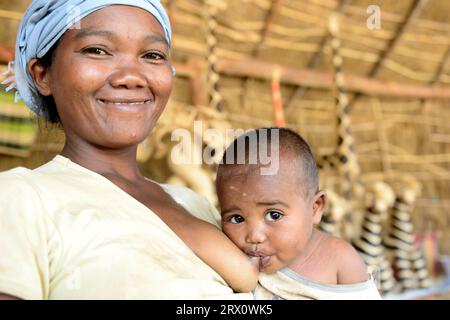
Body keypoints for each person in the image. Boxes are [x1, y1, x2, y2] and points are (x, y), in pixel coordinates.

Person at [0, 0, 257, 300]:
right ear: (43, 75)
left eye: (152, 55)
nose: (131, 77)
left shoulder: (196, 205)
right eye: (97, 50)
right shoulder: (21, 197)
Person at [215, 128, 382, 300]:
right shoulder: (231, 256)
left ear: (315, 208)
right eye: (237, 218)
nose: (254, 237)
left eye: (274, 215)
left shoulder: (341, 261)